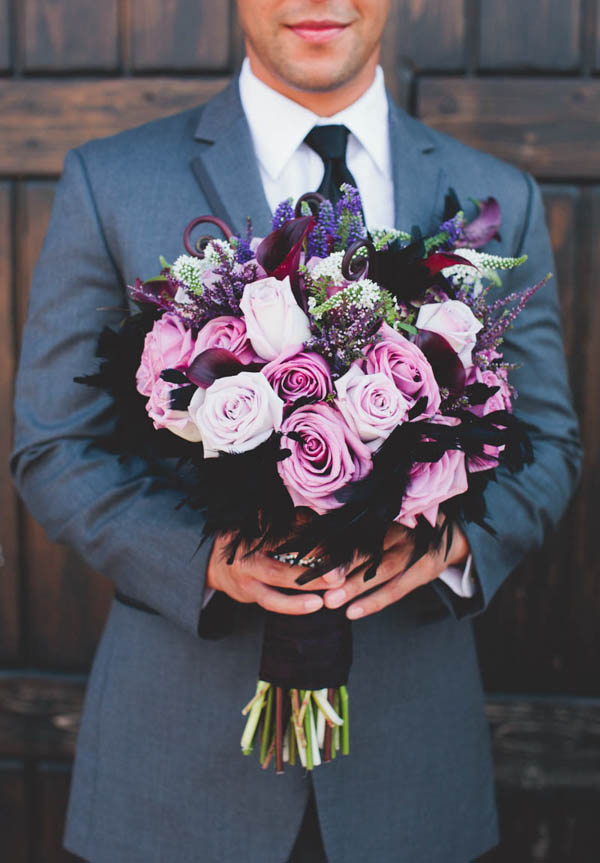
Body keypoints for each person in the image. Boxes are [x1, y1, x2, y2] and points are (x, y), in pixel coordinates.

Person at [10, 1, 582, 861]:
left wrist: (453, 545)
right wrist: (201, 560)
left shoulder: (500, 197)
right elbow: (54, 444)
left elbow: (550, 443)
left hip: (412, 771)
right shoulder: (112, 180)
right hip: (172, 776)